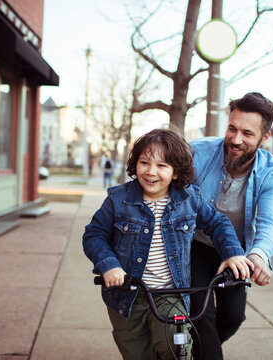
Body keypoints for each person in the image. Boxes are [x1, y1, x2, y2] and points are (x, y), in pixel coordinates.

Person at [82, 128, 253, 360]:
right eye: (144, 162)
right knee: (137, 353)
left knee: (176, 347)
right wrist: (109, 265)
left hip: (170, 294)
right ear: (135, 165)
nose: (151, 171)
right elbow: (94, 235)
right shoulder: (118, 200)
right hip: (126, 296)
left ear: (175, 172)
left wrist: (231, 253)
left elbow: (218, 223)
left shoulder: (189, 199)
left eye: (162, 166)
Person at [189, 92, 273, 360]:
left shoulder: (271, 172)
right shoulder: (197, 152)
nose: (235, 139)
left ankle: (184, 352)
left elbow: (271, 221)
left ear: (264, 138)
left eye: (247, 133)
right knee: (201, 314)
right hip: (194, 245)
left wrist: (259, 255)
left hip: (235, 252)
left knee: (233, 317)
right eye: (232, 128)